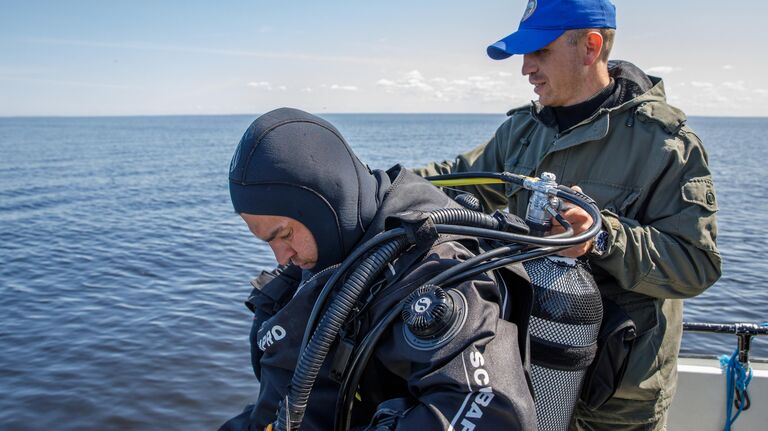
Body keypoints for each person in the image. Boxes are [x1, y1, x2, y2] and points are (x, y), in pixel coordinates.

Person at [412, 1, 722, 430]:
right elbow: (458, 180)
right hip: (527, 370)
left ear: (590, 47)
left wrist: (601, 236)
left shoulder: (666, 146)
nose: (526, 69)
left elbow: (696, 265)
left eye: (539, 51)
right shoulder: (524, 131)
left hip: (614, 399)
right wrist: (373, 181)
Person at [220, 107, 538, 431]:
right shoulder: (328, 261)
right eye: (267, 242)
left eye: (284, 234)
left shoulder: (435, 271)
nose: (280, 257)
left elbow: (492, 413)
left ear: (322, 205)